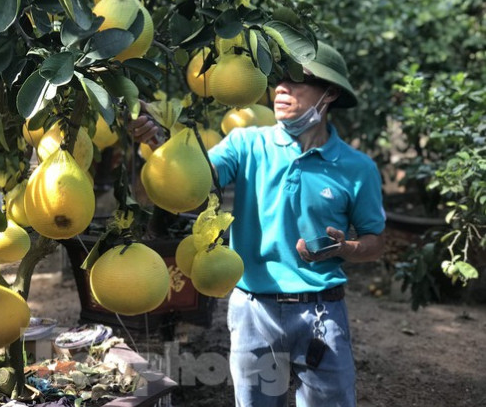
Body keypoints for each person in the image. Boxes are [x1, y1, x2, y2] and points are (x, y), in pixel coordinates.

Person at [128, 41, 386, 407]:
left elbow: (376, 242)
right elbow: (194, 181)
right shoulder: (247, 143)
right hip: (254, 310)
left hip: (322, 314)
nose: (281, 88)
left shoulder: (357, 168)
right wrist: (156, 142)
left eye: (297, 81)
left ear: (328, 93)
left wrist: (345, 248)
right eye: (278, 80)